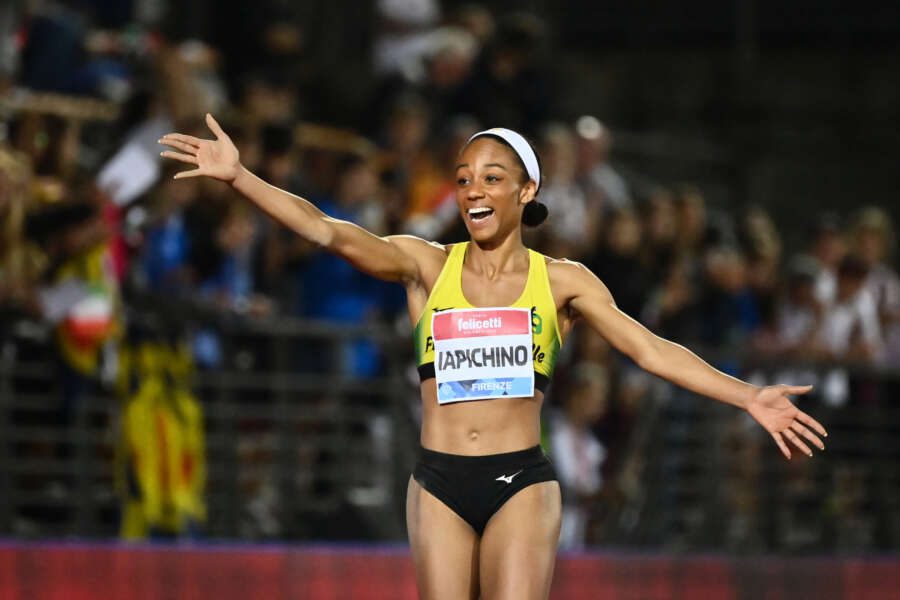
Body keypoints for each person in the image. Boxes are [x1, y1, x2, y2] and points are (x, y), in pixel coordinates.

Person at [160, 115, 828, 600]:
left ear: (527, 190)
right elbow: (328, 231)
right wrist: (241, 177)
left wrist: (747, 396)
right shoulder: (425, 265)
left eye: (492, 177)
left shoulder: (563, 281)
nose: (473, 190)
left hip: (521, 481)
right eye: (463, 179)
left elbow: (650, 350)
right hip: (438, 483)